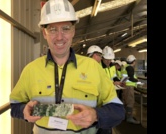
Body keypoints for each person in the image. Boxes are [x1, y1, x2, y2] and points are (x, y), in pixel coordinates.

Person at [9, 0, 125, 133]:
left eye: (65, 28)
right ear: (44, 33)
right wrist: (23, 111)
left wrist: (96, 114)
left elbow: (118, 110)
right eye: (52, 29)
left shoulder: (93, 67)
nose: (59, 37)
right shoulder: (31, 70)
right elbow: (14, 106)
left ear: (73, 31)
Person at [96, 46, 125, 134]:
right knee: (102, 119)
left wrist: (118, 82)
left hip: (111, 94)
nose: (108, 61)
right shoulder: (97, 66)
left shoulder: (112, 66)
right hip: (101, 97)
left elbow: (113, 76)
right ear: (102, 58)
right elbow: (98, 82)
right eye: (106, 59)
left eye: (110, 59)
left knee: (109, 119)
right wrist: (113, 83)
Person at [121, 55, 140, 124]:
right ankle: (129, 118)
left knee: (125, 101)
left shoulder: (125, 66)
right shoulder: (130, 67)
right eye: (135, 61)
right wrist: (136, 80)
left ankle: (125, 116)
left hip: (124, 86)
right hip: (128, 87)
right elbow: (131, 78)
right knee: (130, 102)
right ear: (133, 61)